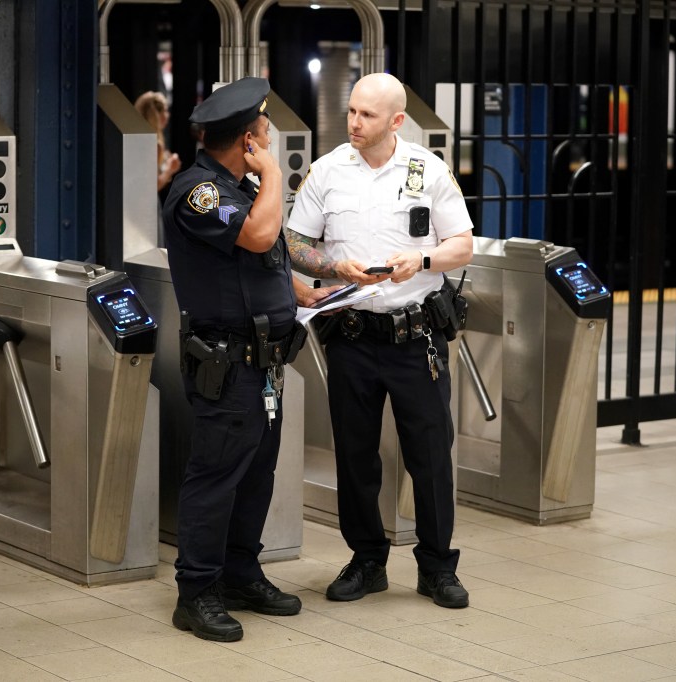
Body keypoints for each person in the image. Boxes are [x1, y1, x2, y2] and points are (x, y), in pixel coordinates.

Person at [286, 72, 474, 610]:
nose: (353, 122)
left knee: (431, 454)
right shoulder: (327, 172)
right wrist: (332, 264)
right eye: (350, 111)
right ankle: (367, 561)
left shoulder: (427, 170)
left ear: (395, 121)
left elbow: (462, 244)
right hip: (351, 336)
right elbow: (295, 242)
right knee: (355, 453)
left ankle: (437, 566)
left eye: (366, 115)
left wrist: (423, 259)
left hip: (417, 337)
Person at [163, 77, 334, 642]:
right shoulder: (199, 192)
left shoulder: (239, 189)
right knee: (216, 477)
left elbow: (262, 263)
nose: (267, 140)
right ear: (247, 140)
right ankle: (197, 592)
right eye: (263, 132)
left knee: (256, 474)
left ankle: (240, 572)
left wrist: (300, 295)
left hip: (263, 364)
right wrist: (277, 176)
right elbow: (260, 238)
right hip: (225, 364)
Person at [134, 90, 182, 192]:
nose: (168, 115)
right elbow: (152, 186)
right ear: (156, 114)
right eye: (165, 110)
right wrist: (170, 168)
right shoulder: (155, 145)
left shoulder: (136, 141)